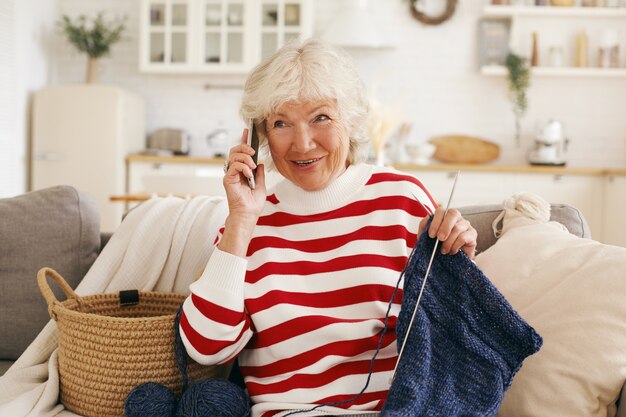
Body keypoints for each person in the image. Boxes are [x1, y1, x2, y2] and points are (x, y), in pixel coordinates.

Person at [179, 38, 477, 417]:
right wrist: (241, 218)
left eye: (320, 117)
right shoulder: (249, 223)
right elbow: (206, 347)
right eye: (281, 123)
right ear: (259, 138)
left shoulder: (402, 199)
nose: (302, 144)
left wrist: (462, 262)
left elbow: (453, 333)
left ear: (350, 120)